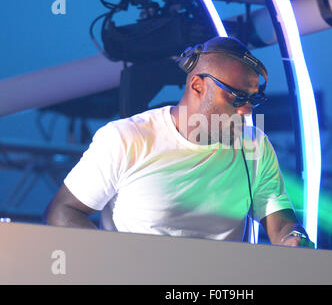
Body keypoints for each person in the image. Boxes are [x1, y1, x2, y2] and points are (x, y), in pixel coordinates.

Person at [44, 36, 314, 248]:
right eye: (236, 97)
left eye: (252, 100)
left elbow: (279, 218)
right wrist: (114, 262)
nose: (246, 111)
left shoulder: (253, 145)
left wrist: (293, 236)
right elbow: (62, 211)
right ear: (197, 86)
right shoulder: (125, 138)